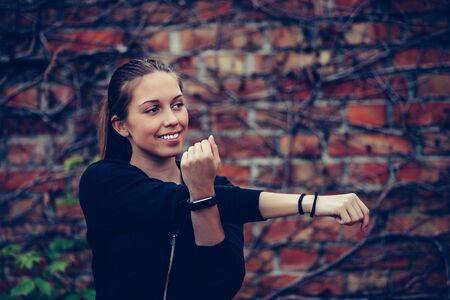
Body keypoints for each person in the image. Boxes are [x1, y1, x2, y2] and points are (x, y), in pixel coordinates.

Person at [78, 58, 370, 300]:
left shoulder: (221, 192)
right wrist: (314, 203)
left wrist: (205, 193)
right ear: (121, 125)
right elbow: (176, 203)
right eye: (153, 109)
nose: (172, 119)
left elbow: (222, 285)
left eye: (178, 105)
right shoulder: (104, 182)